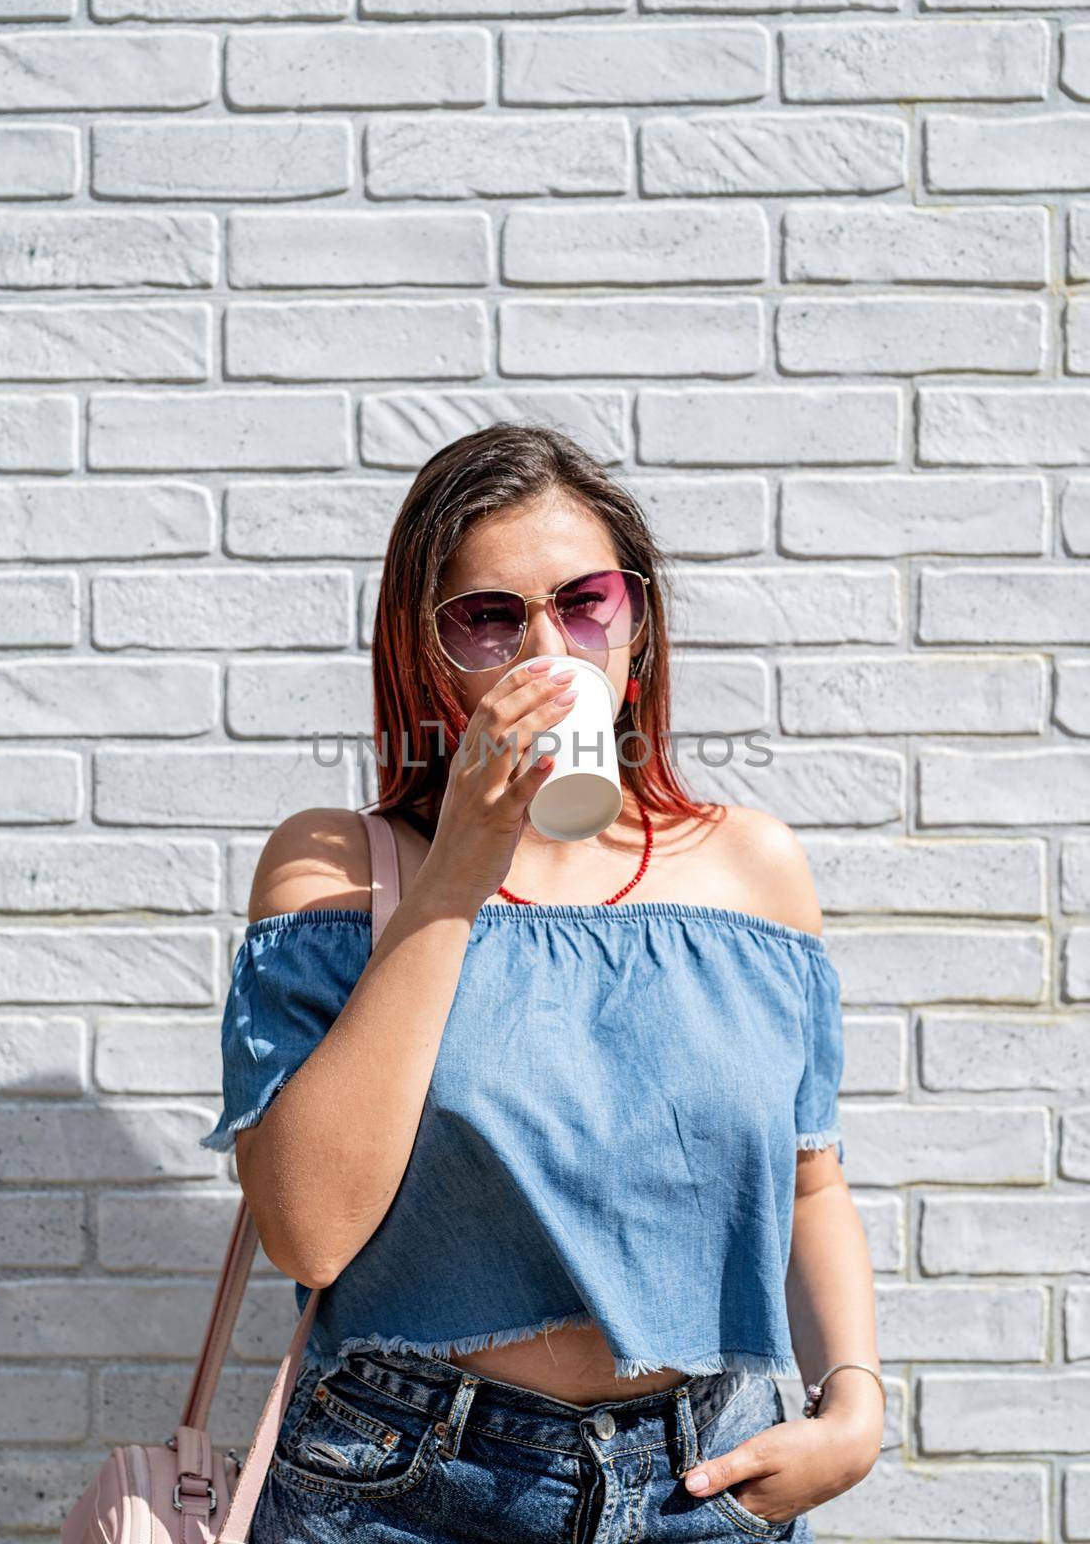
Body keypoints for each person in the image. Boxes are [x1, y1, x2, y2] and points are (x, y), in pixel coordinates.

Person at [199, 422, 885, 1542]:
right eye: (487, 617)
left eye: (583, 604)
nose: (544, 653)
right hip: (405, 1486)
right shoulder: (336, 867)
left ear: (637, 625)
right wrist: (452, 878)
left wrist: (852, 1399)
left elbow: (810, 1183)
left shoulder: (750, 867)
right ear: (425, 652)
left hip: (706, 1482)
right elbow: (308, 1230)